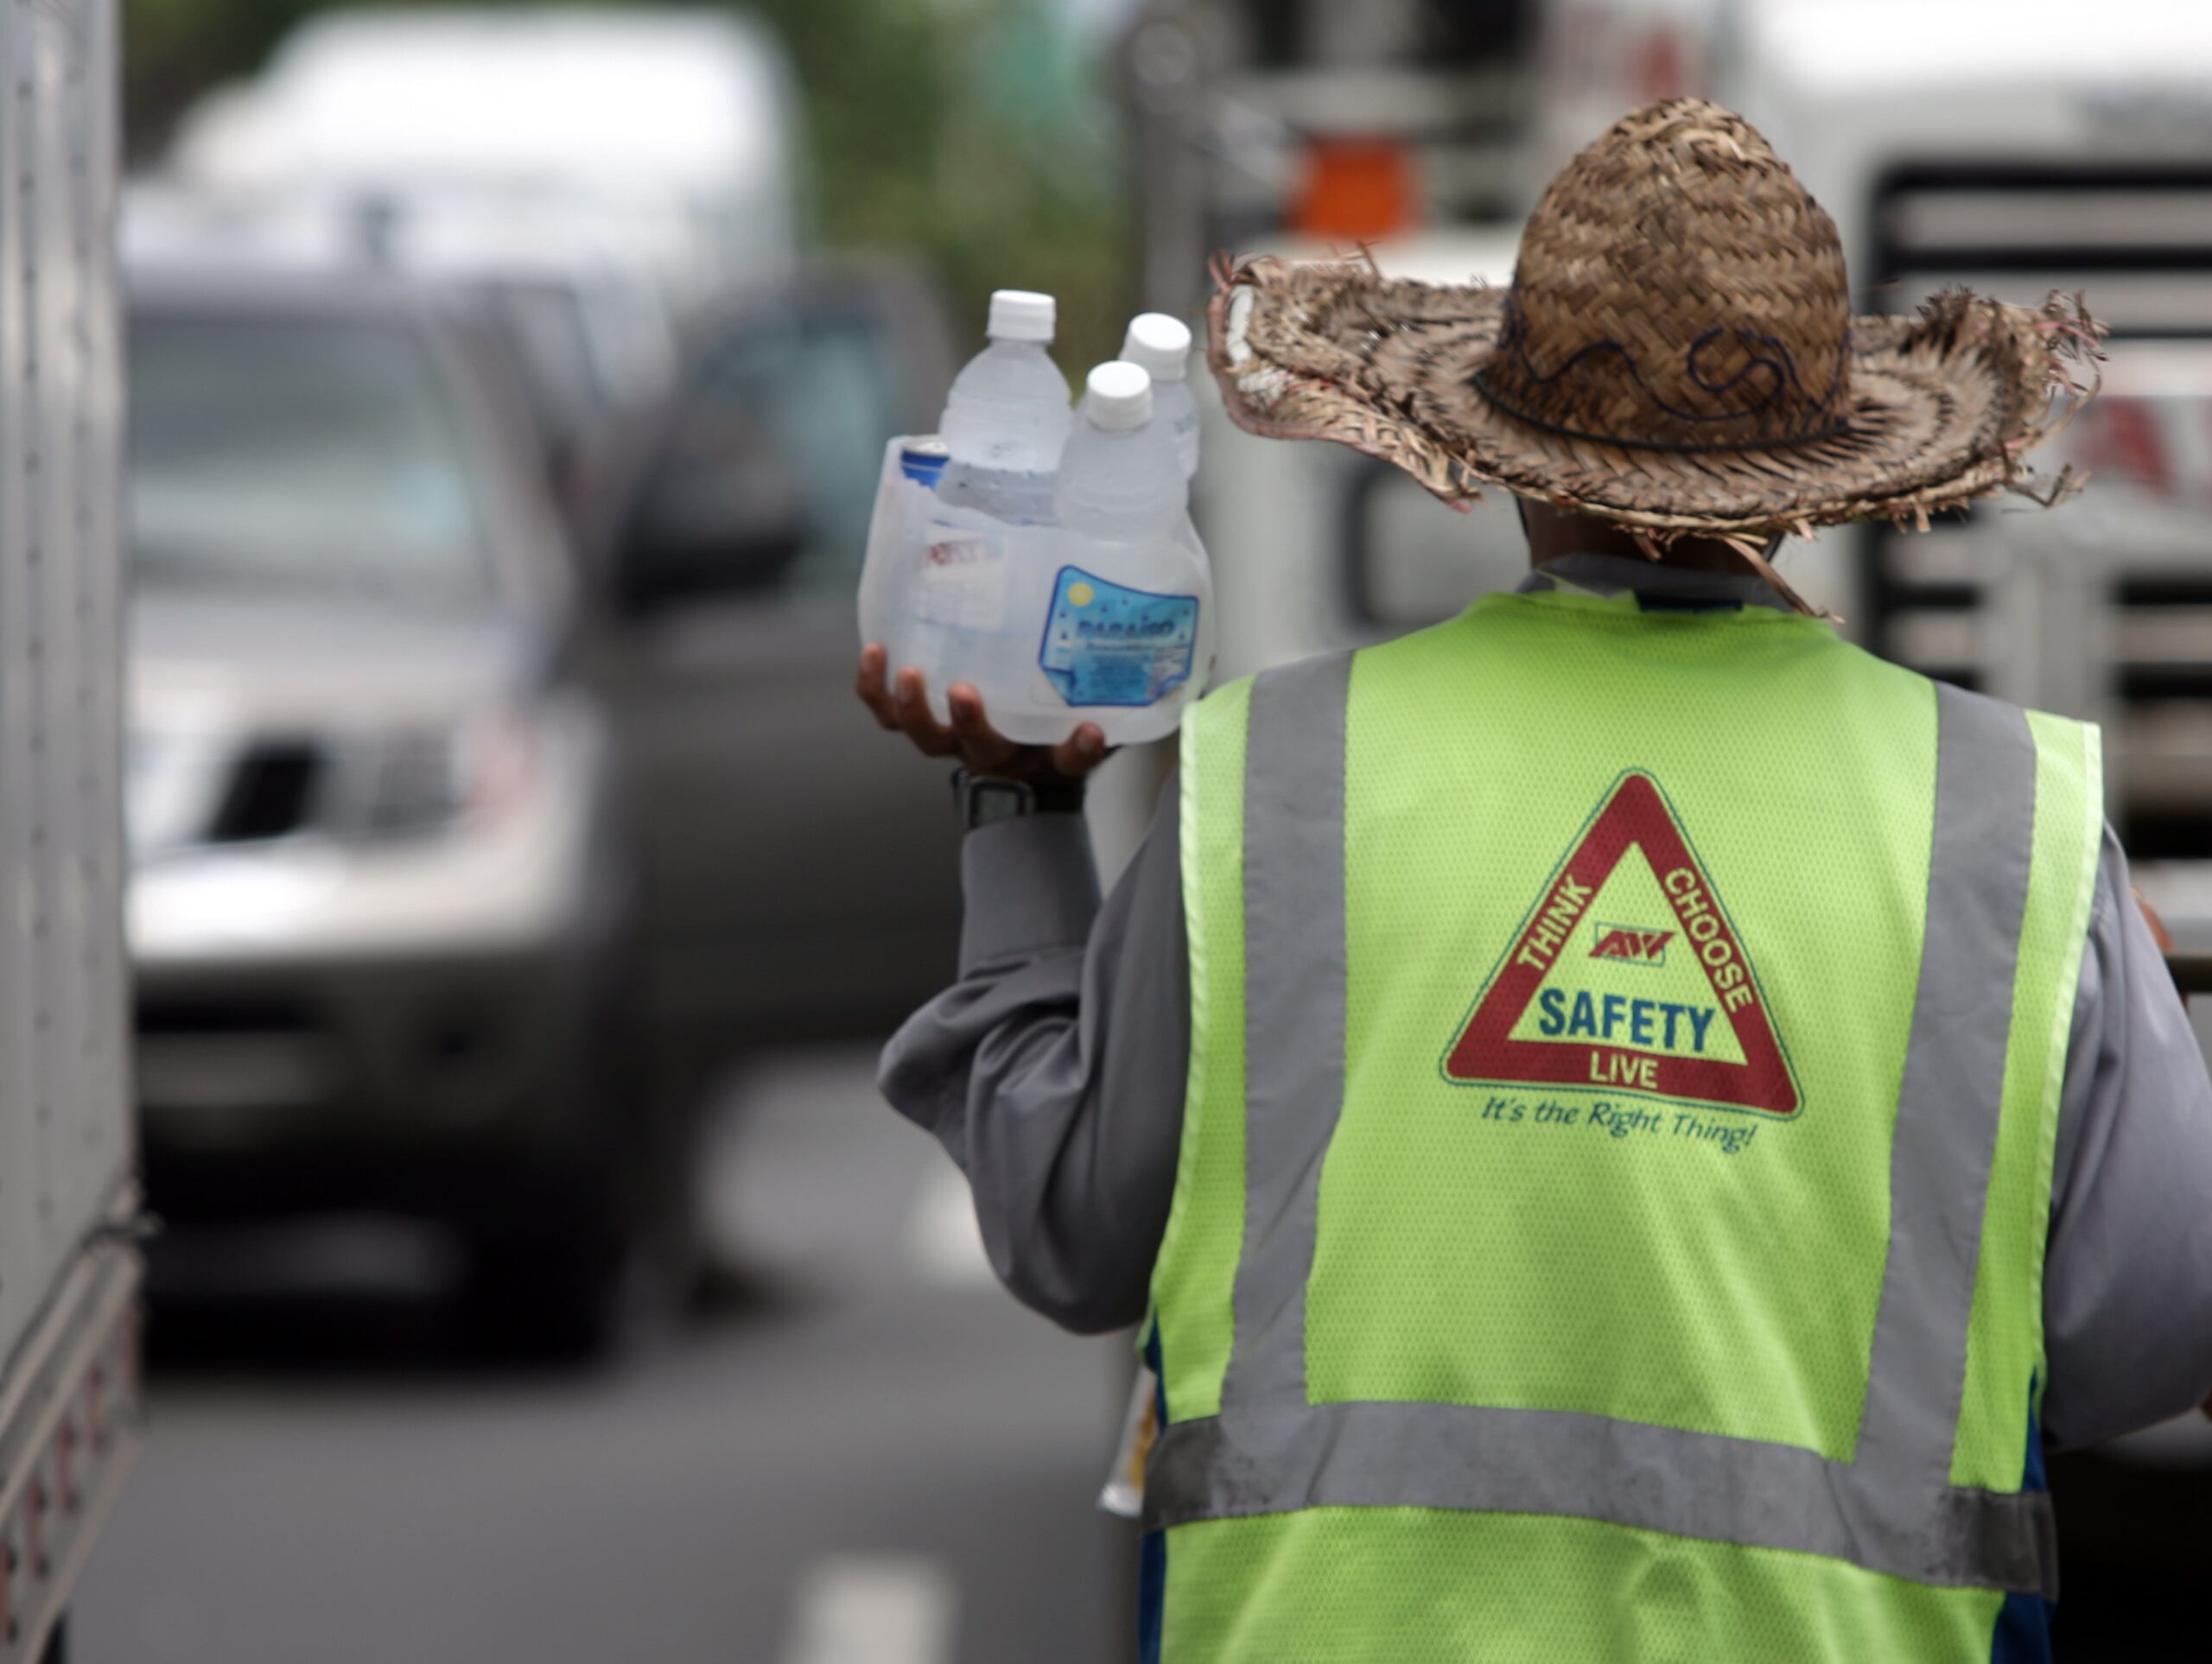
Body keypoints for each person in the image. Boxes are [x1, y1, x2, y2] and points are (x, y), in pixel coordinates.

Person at [855, 100, 2212, 1661]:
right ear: (1822, 479)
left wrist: (1018, 805)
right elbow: (2142, 1336)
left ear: (1504, 460)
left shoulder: (1279, 777)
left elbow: (1072, 1227)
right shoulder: (2008, 826)